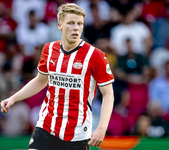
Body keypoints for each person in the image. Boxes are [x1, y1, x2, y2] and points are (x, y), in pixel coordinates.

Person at [0, 3, 114, 150]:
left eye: (80, 24)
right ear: (60, 25)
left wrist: (102, 128)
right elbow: (40, 81)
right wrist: (13, 98)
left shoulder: (96, 55)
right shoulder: (49, 49)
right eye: (71, 23)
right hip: (47, 126)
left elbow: (108, 94)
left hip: (76, 132)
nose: (76, 28)